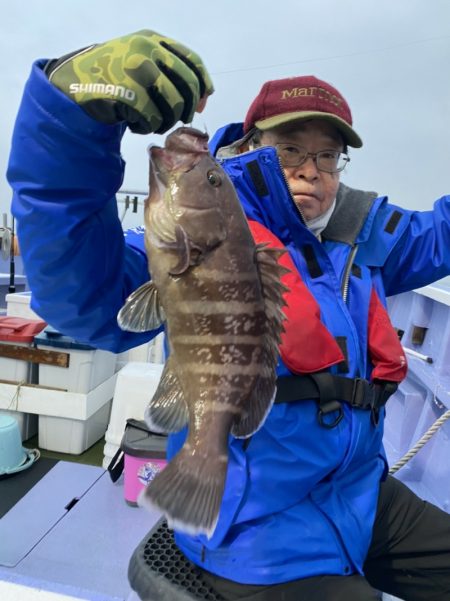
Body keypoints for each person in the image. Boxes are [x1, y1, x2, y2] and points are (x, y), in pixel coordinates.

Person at [6, 30, 450, 601]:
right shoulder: (196, 235)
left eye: (327, 155)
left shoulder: (364, 235)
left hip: (361, 494)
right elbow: (79, 291)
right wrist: (70, 118)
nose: (312, 170)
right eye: (291, 148)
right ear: (247, 147)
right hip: (258, 531)